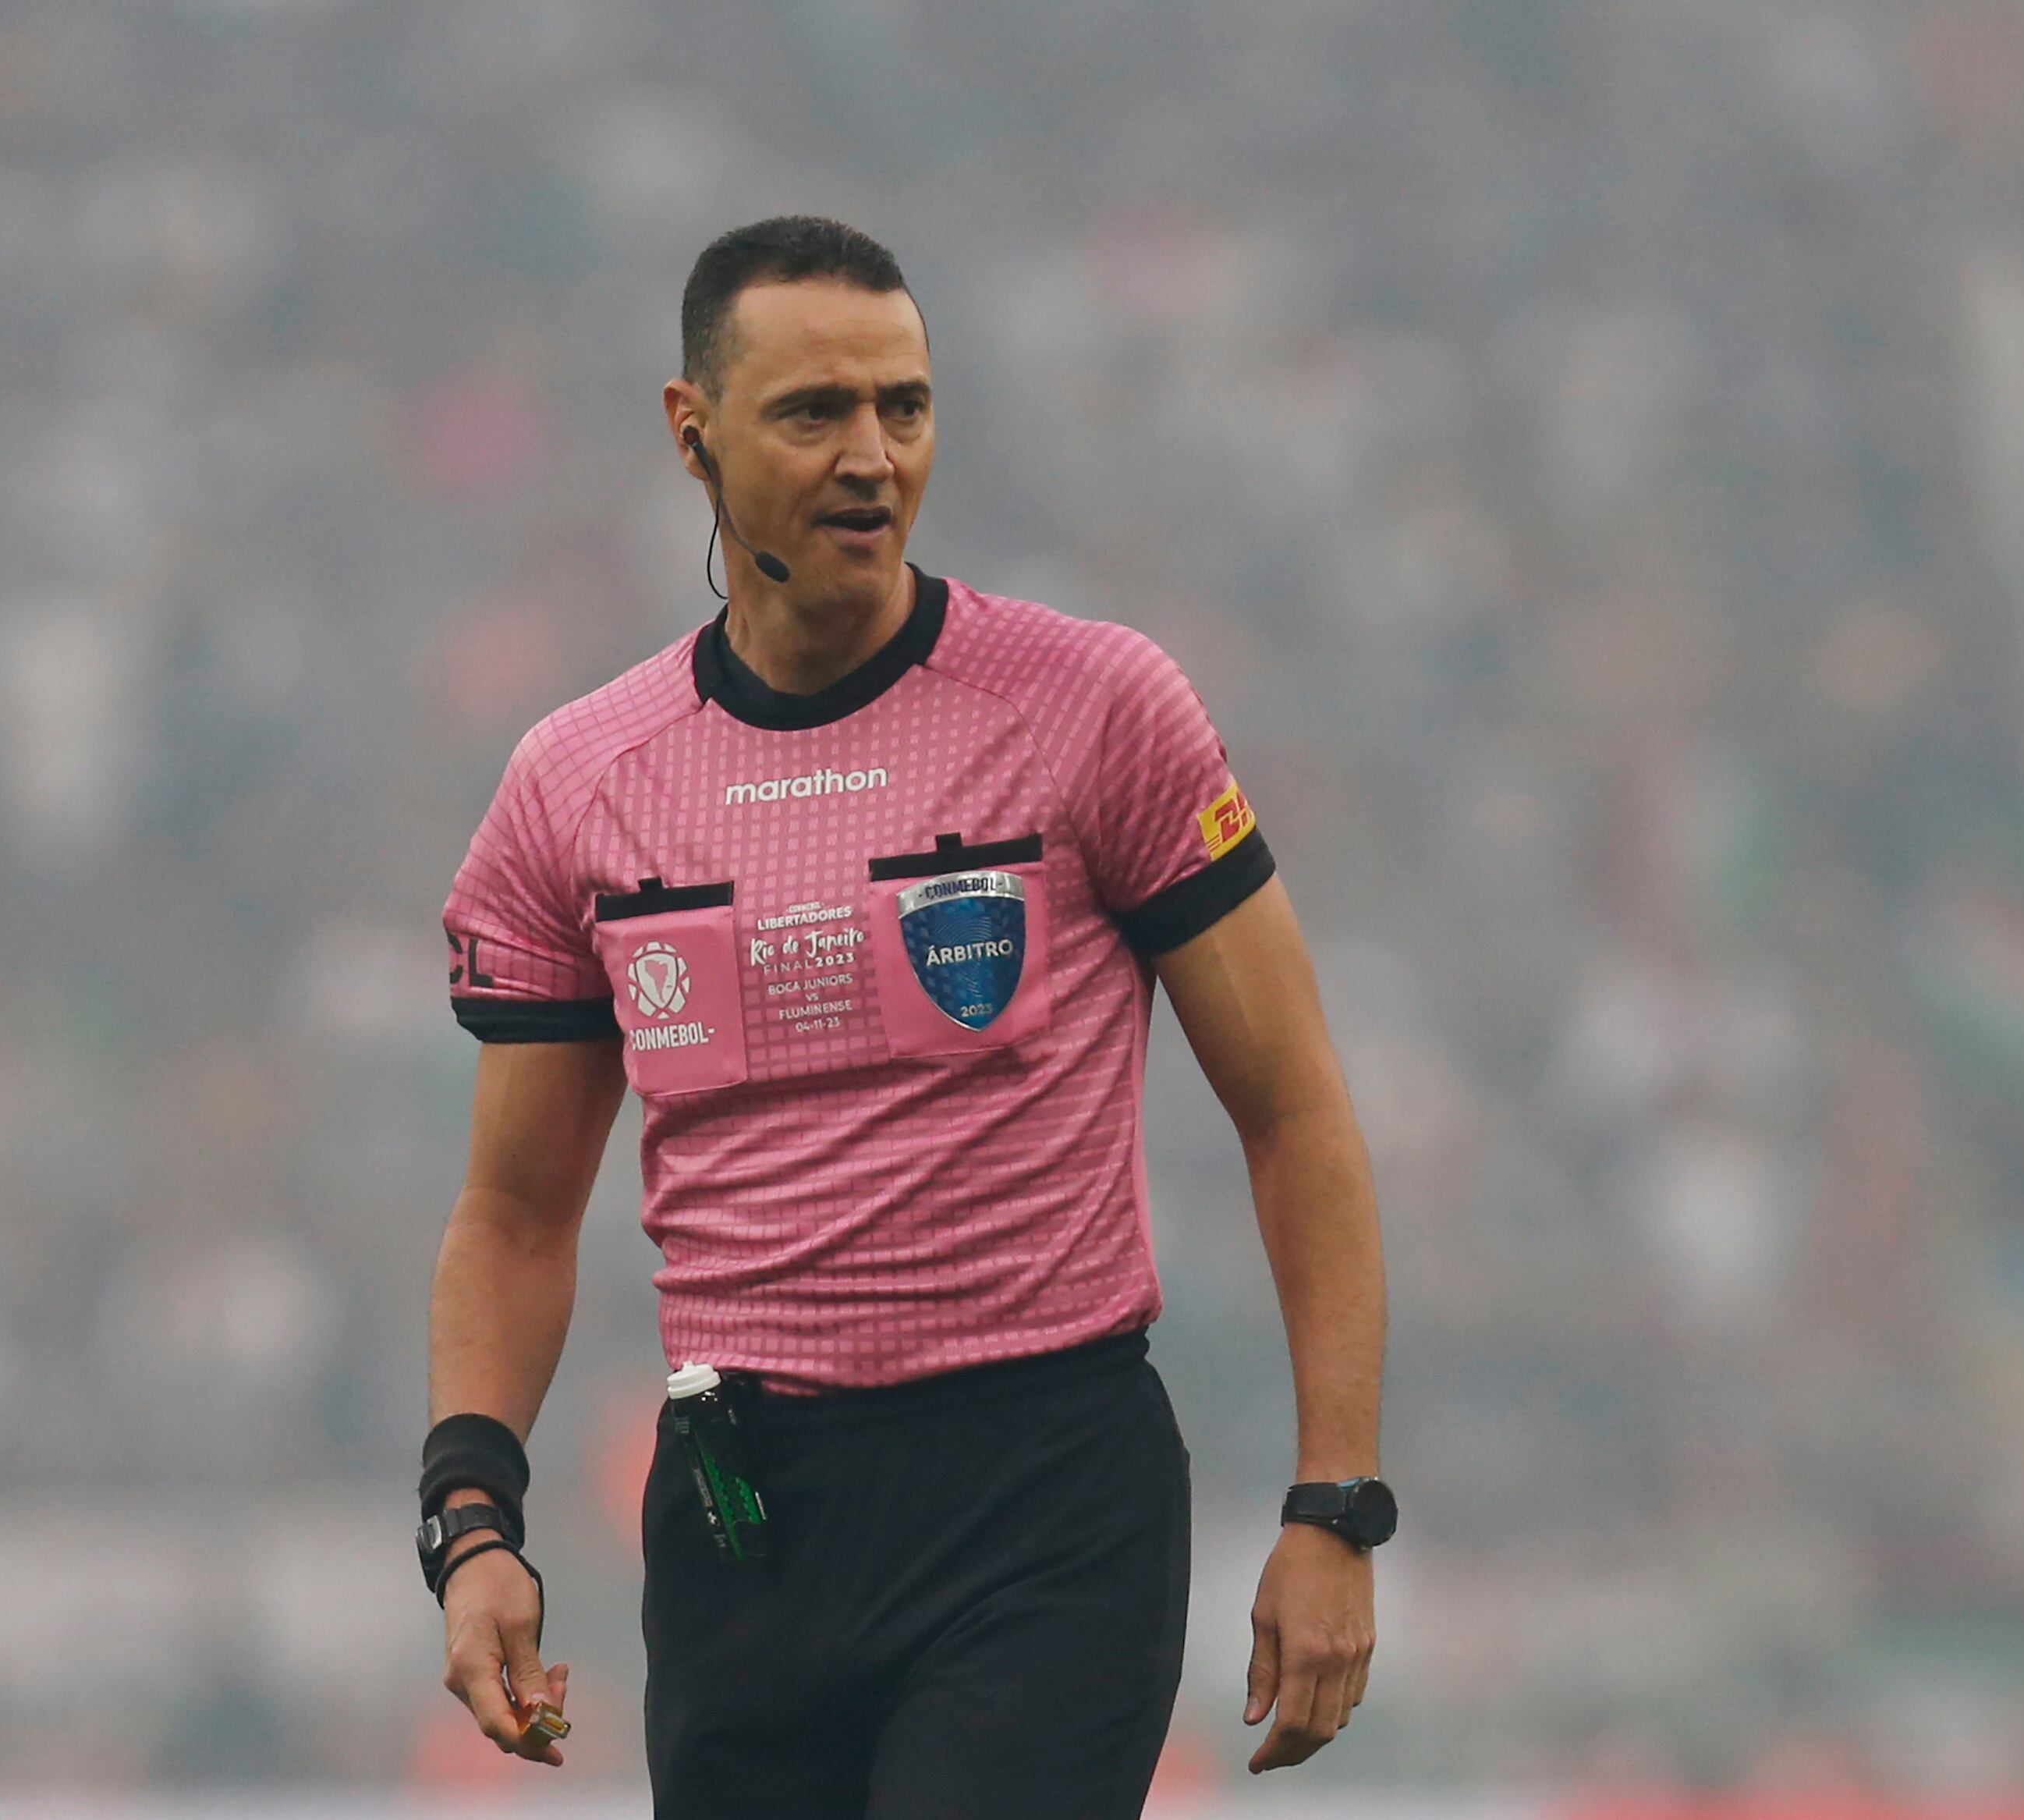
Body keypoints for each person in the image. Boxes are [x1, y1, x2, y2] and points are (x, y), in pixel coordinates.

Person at [420, 215, 1389, 1818]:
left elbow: (1291, 1109)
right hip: (745, 1515)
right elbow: (517, 1212)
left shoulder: (1091, 709)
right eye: (814, 413)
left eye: (905, 407)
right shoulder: (577, 786)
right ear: (691, 433)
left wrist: (1335, 1503)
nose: (871, 454)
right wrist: (473, 1521)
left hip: (1043, 1490)